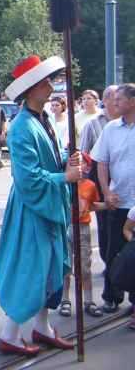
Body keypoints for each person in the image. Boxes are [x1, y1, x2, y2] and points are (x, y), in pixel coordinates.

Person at [0, 55, 81, 357]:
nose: (51, 86)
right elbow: (28, 178)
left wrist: (67, 161)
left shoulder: (44, 120)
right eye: (45, 82)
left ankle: (42, 327)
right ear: (31, 88)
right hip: (32, 210)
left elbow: (50, 162)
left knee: (53, 267)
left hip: (50, 205)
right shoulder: (21, 127)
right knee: (31, 269)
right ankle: (9, 335)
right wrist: (65, 176)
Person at [91, 83, 135, 315]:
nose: (114, 103)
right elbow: (101, 162)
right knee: (112, 252)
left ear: (132, 102)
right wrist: (106, 192)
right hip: (118, 202)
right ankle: (111, 296)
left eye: (119, 99)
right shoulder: (110, 129)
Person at [58, 153, 105, 319]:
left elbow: (91, 205)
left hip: (83, 227)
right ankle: (65, 300)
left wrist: (107, 205)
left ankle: (89, 301)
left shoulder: (90, 185)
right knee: (66, 266)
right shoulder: (65, 184)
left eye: (84, 164)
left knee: (84, 266)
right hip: (67, 226)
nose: (81, 166)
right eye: (78, 163)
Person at [79, 85, 119, 266]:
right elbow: (84, 154)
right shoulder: (93, 123)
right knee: (105, 224)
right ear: (106, 100)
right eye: (114, 97)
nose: (118, 101)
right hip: (101, 179)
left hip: (125, 180)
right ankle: (109, 262)